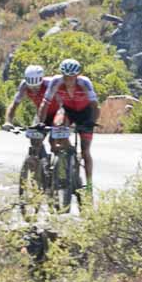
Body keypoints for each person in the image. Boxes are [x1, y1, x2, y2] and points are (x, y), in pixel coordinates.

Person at [38, 58, 100, 195]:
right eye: (66, 77)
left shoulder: (84, 83)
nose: (68, 81)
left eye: (72, 77)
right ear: (62, 75)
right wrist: (41, 123)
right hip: (68, 112)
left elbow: (95, 106)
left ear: (77, 76)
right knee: (55, 131)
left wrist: (91, 122)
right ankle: (66, 157)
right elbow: (45, 104)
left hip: (85, 114)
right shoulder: (56, 81)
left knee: (85, 151)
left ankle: (89, 185)